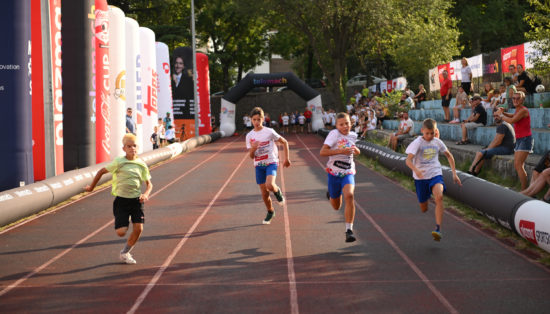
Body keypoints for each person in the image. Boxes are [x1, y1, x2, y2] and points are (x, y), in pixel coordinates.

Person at [84, 133, 153, 264]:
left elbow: (149, 184)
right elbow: (101, 172)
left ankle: (125, 252)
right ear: (124, 148)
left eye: (134, 146)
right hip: (121, 201)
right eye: (129, 146)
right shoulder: (119, 162)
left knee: (139, 229)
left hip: (137, 201)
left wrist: (146, 194)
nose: (132, 148)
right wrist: (91, 187)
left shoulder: (141, 164)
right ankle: (123, 219)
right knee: (121, 232)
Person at [405, 118, 461, 241]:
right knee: (423, 208)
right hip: (421, 178)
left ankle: (438, 229)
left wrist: (454, 173)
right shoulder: (418, 142)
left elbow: (449, 156)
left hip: (435, 173)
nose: (430, 136)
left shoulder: (437, 142)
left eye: (432, 133)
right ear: (422, 131)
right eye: (427, 133)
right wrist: (416, 170)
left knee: (439, 197)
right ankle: (427, 197)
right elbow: (408, 160)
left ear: (436, 131)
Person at [246, 107, 291, 224]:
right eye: (254, 119)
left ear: (263, 119)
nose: (256, 122)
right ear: (251, 120)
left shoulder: (269, 131)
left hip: (271, 162)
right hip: (258, 165)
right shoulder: (249, 136)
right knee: (264, 193)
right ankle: (270, 211)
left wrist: (287, 158)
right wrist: (253, 148)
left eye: (258, 119)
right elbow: (251, 156)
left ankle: (278, 192)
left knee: (270, 185)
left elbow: (284, 142)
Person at [320, 112, 360, 242]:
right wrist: (340, 151)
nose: (345, 126)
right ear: (336, 125)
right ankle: (331, 195)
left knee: (349, 195)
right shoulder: (333, 135)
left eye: (347, 123)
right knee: (336, 206)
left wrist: (355, 150)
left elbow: (355, 150)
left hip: (348, 171)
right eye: (341, 124)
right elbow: (323, 152)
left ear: (351, 123)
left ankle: (349, 230)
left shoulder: (353, 135)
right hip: (334, 173)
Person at [495, 91, 533, 190]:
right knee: (518, 166)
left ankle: (524, 190)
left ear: (522, 100)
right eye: (514, 98)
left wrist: (501, 115)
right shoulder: (518, 109)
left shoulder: (523, 110)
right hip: (520, 139)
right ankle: (524, 188)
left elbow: (512, 120)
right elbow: (512, 116)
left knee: (518, 165)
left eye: (518, 98)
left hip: (525, 140)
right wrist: (502, 112)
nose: (515, 100)